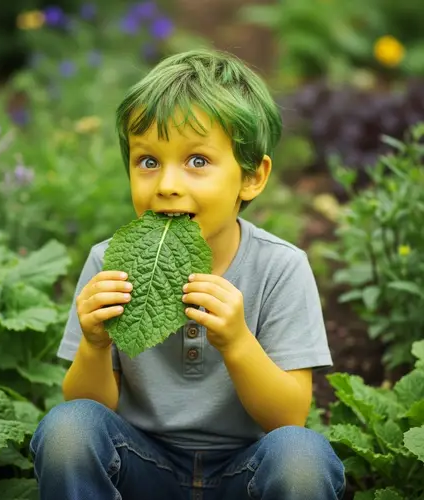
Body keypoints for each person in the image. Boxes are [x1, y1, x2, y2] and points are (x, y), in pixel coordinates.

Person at [30, 48, 346, 500]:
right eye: (148, 161)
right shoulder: (112, 261)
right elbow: (88, 410)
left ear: (252, 177)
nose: (167, 184)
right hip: (139, 466)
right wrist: (95, 344)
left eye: (197, 161)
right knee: (67, 430)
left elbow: (288, 417)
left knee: (302, 456)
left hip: (244, 473)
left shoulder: (280, 267)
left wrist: (238, 342)